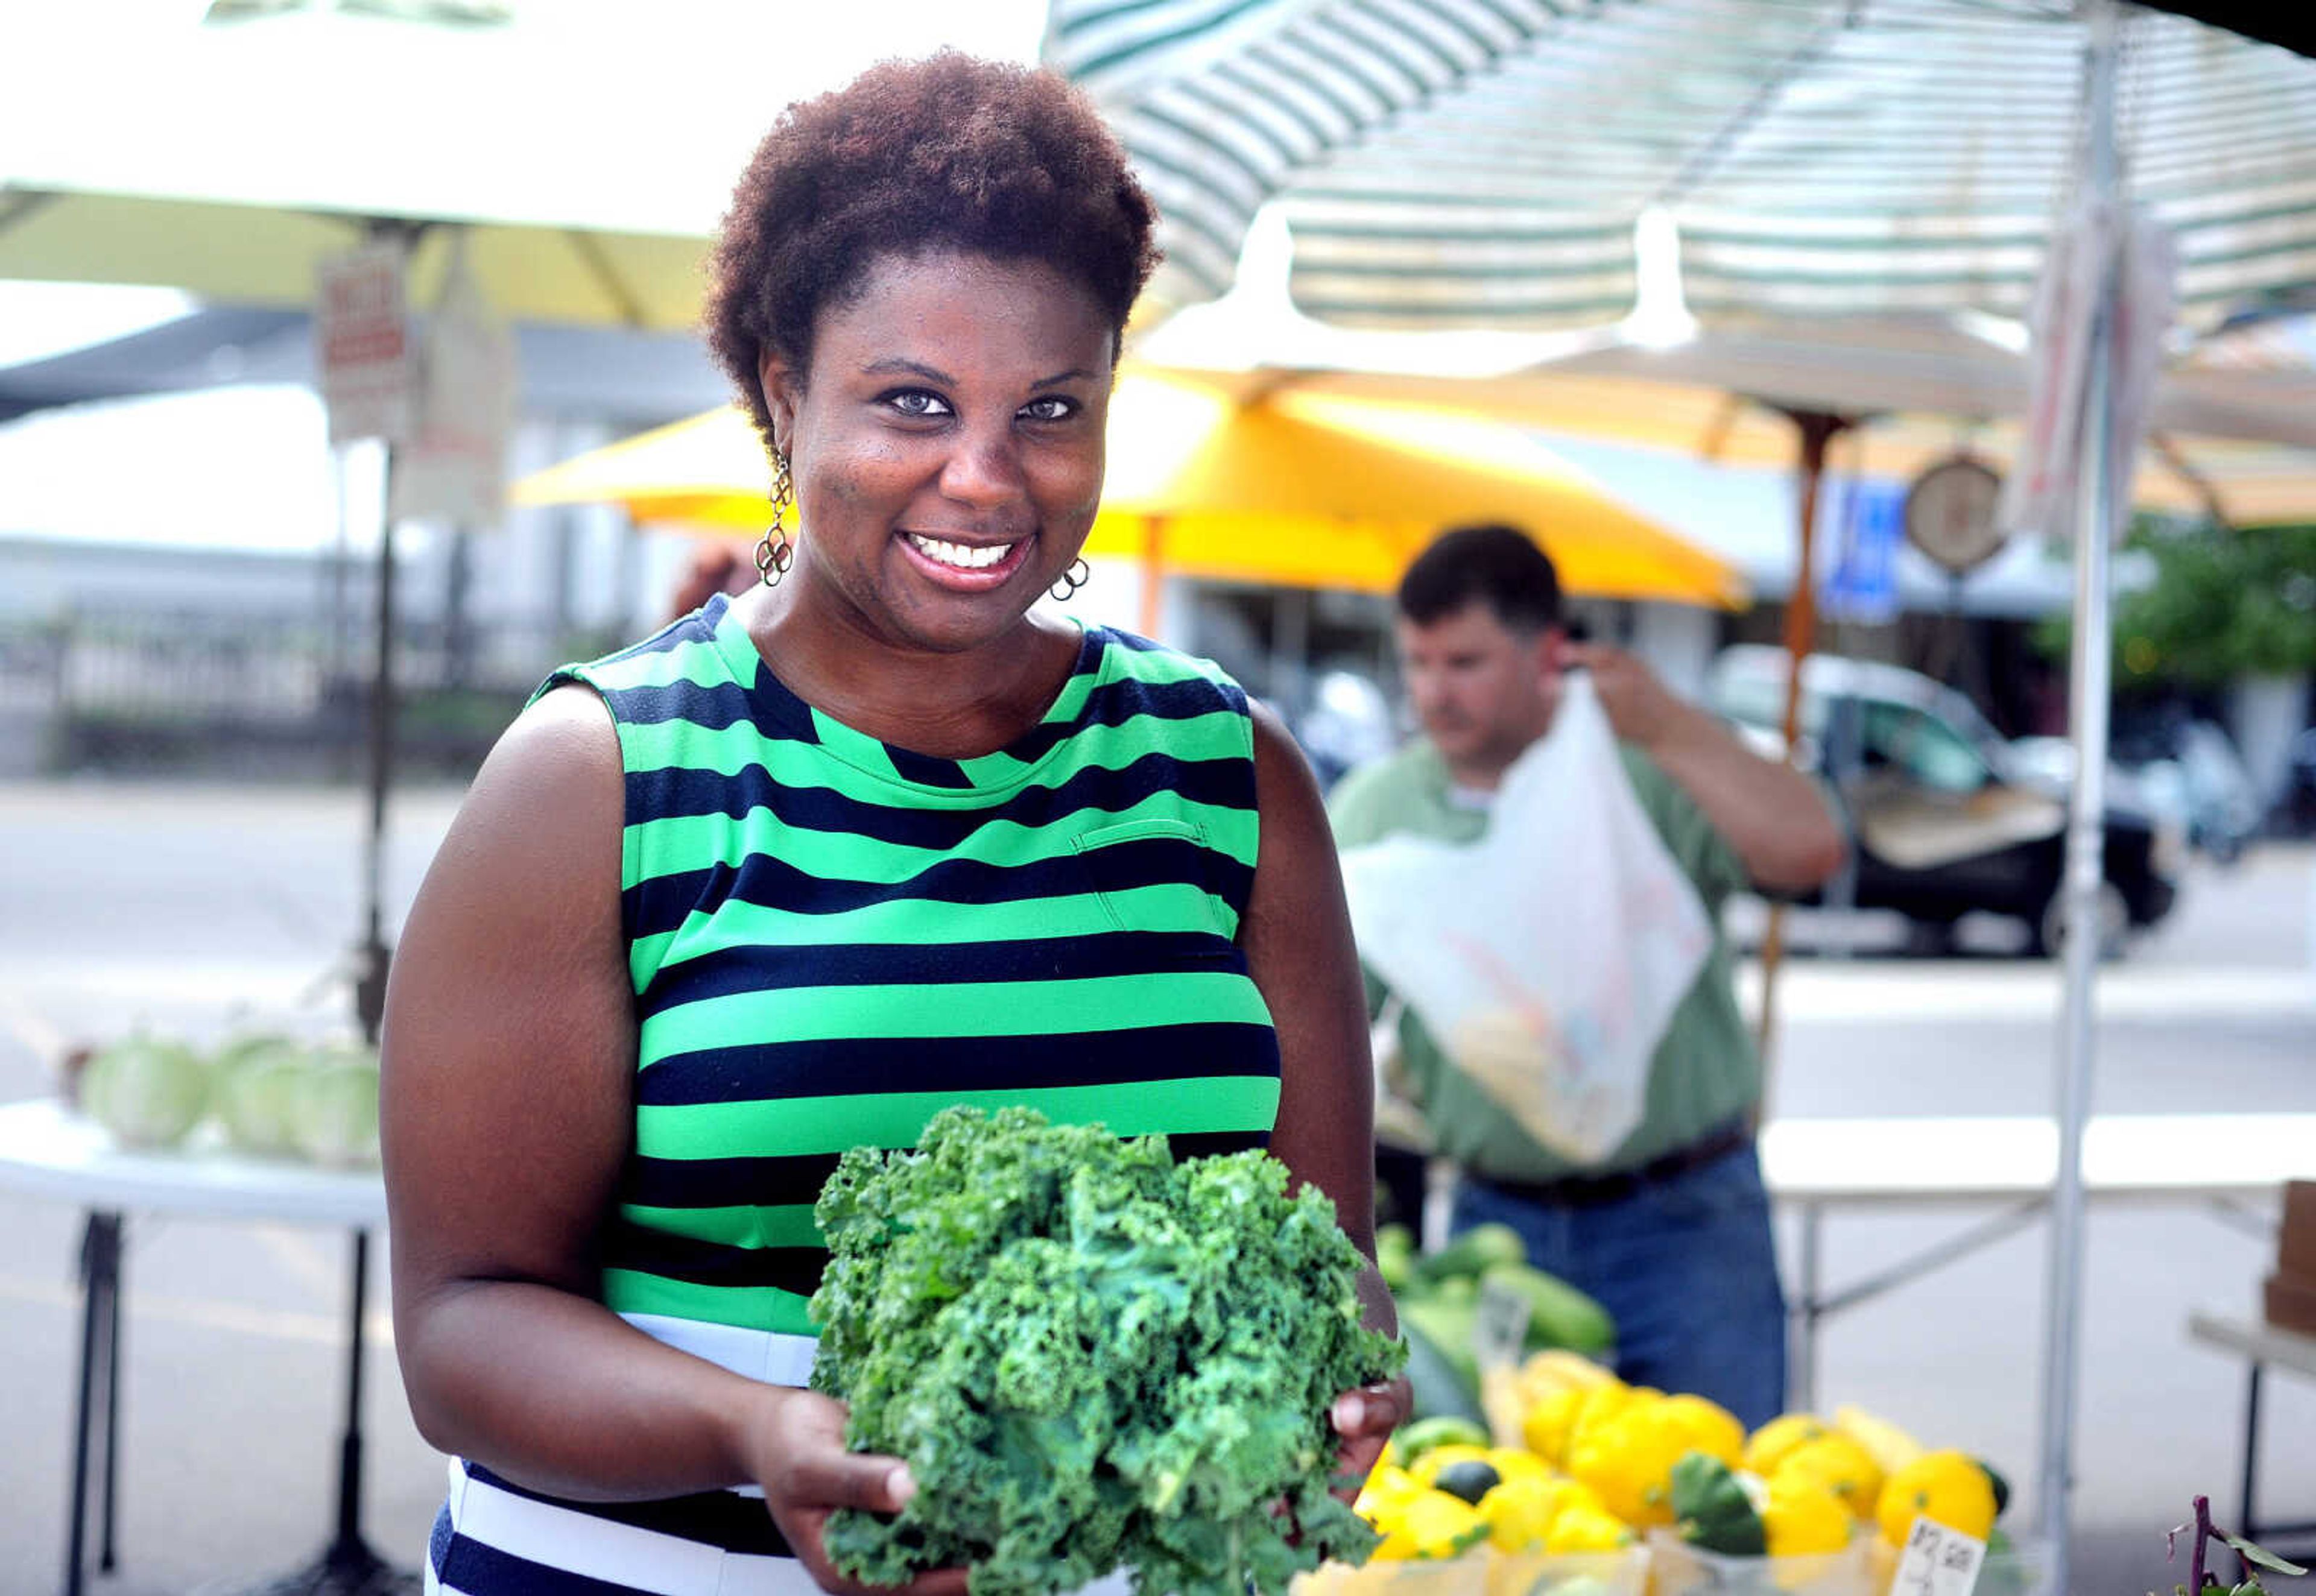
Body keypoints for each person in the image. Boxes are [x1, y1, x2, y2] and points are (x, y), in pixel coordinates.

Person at [379, 52, 1407, 1596]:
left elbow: (1336, 1267)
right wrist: (761, 1431)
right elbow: (464, 1323)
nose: (985, 479)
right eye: (912, 402)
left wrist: (1337, 1389)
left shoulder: (1229, 775)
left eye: (1050, 409)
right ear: (786, 396)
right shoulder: (601, 775)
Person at [1327, 524, 1844, 1427]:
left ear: (1550, 656)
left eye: (1465, 663)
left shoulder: (1640, 770)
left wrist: (1671, 723)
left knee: (1725, 1509)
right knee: (1526, 1529)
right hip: (1498, 1233)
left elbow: (1812, 851)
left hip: (1690, 1219)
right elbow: (1319, 1019)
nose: (1433, 694)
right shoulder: (1380, 810)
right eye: (1417, 663)